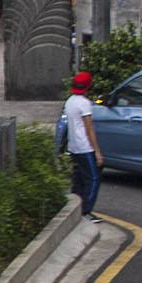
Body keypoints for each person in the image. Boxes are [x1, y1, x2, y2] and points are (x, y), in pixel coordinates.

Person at [61, 72, 103, 221]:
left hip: (73, 147)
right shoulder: (84, 104)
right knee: (93, 178)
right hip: (85, 147)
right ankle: (86, 211)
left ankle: (74, 208)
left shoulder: (70, 101)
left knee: (78, 179)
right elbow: (89, 128)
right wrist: (97, 151)